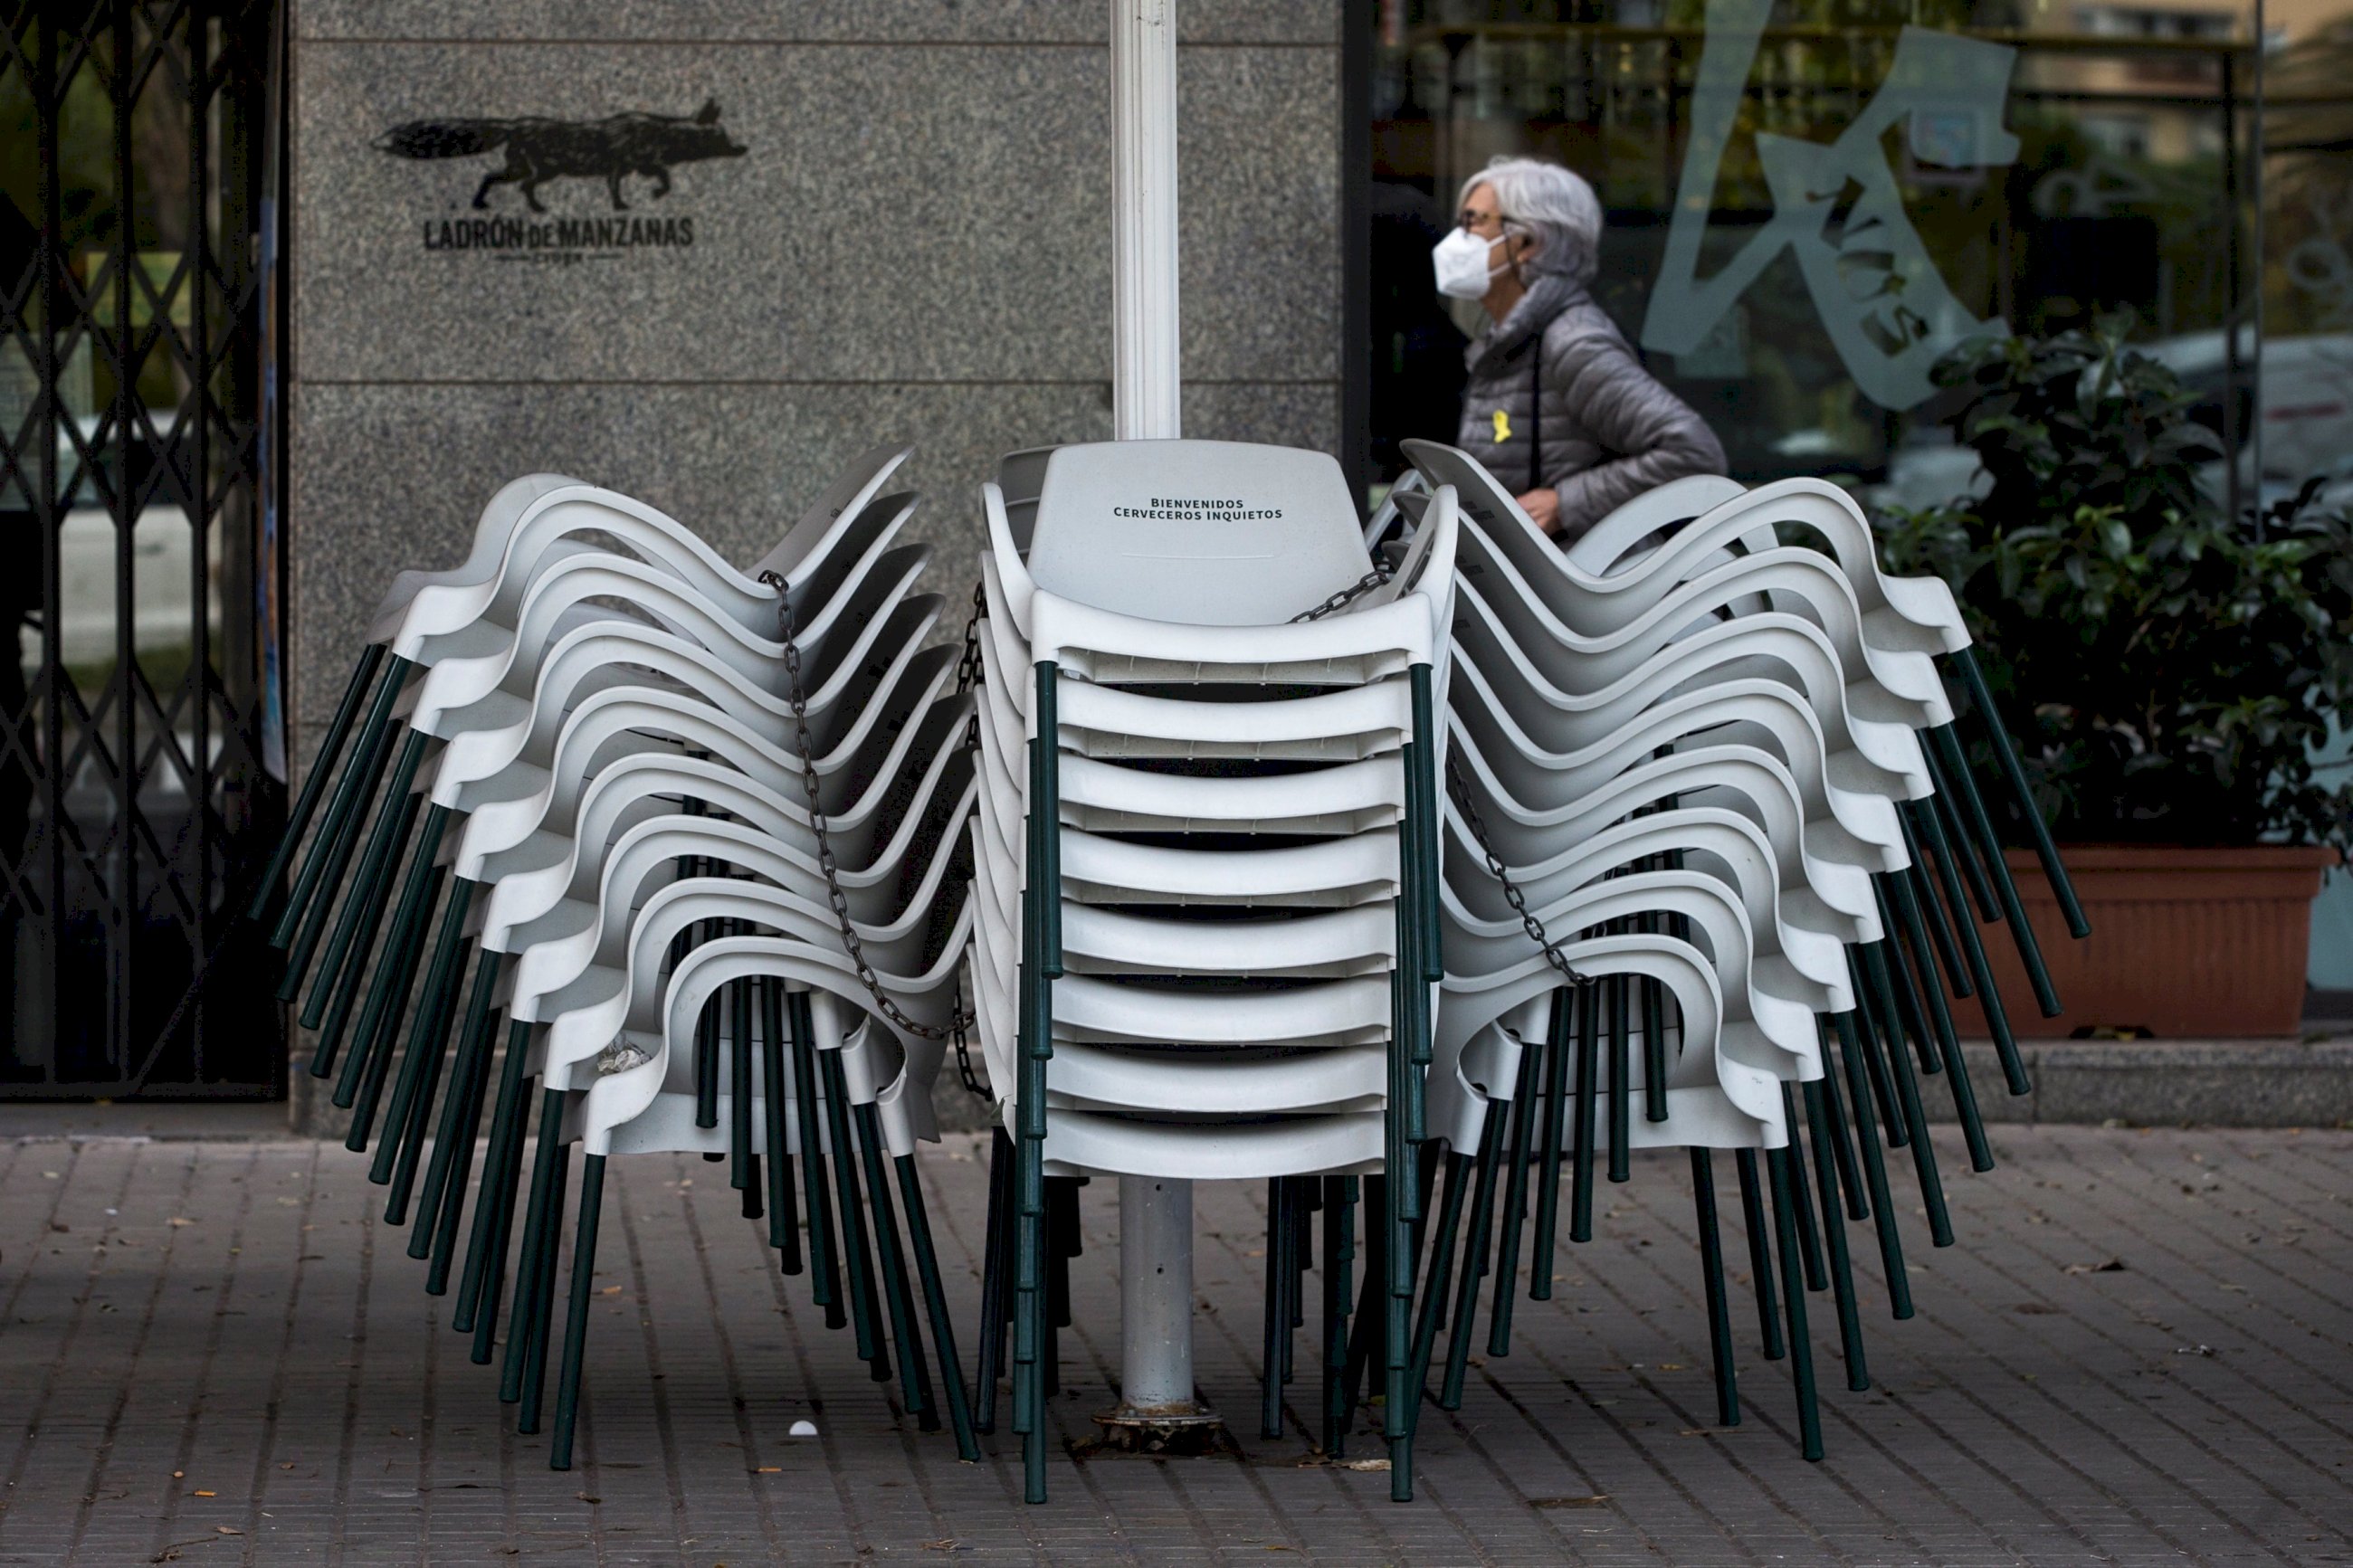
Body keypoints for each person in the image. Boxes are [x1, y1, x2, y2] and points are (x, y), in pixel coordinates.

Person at [1435, 157, 1725, 542]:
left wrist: (1565, 503)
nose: (1459, 238)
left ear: (1527, 243)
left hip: (1577, 588)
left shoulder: (1572, 341)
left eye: (1474, 221)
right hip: (1533, 585)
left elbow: (1693, 452)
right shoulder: (1512, 340)